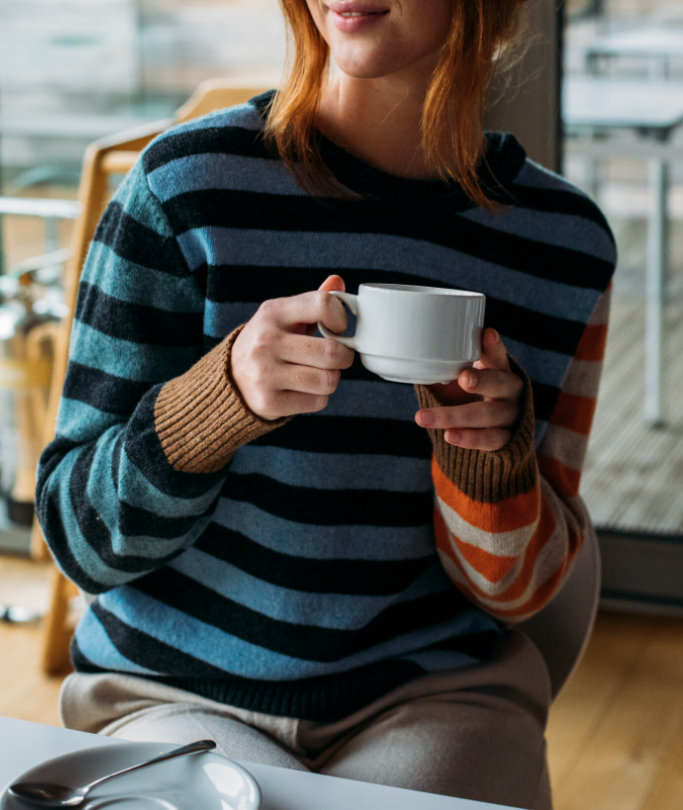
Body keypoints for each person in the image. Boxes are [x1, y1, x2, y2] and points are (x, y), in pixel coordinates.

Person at [36, 1, 616, 807]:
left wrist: (487, 456)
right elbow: (77, 537)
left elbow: (522, 595)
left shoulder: (564, 245)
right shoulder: (183, 190)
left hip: (432, 695)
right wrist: (221, 398)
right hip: (172, 691)